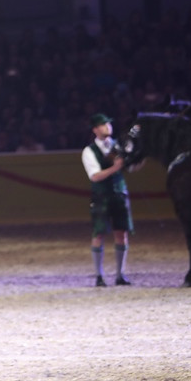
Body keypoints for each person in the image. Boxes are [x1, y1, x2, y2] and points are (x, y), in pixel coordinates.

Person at [82, 113, 133, 287]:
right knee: (99, 233)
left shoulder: (118, 146)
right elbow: (95, 176)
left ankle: (120, 274)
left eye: (108, 124)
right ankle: (99, 275)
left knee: (121, 233)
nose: (108, 127)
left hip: (119, 194)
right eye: (103, 125)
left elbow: (131, 167)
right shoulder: (89, 151)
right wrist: (115, 168)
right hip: (102, 196)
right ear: (95, 129)